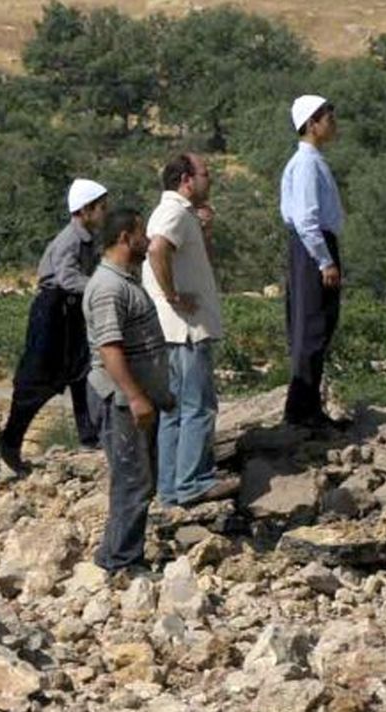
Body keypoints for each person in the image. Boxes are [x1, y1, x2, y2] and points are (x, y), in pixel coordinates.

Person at [142, 154, 239, 505]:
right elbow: (158, 249)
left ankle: (171, 487)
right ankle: (193, 482)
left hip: (175, 330)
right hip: (186, 329)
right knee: (198, 406)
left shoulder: (181, 214)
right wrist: (173, 295)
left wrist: (205, 229)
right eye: (205, 174)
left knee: (175, 410)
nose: (209, 180)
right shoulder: (174, 212)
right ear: (186, 179)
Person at [83, 208, 173, 573]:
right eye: (142, 234)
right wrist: (135, 396)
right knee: (132, 480)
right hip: (120, 401)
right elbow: (109, 349)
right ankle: (120, 562)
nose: (148, 241)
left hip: (132, 398)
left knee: (138, 479)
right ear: (124, 238)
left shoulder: (124, 281)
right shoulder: (109, 287)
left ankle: (118, 553)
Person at [0, 179, 107, 473]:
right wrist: (102, 287)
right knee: (38, 378)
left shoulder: (88, 239)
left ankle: (90, 436)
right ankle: (11, 439)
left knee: (83, 373)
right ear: (85, 210)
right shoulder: (69, 241)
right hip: (54, 311)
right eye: (101, 207)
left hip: (72, 312)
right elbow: (68, 279)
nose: (104, 213)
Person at [281, 95, 349, 431]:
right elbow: (306, 218)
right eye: (328, 118)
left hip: (311, 246)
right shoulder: (307, 163)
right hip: (313, 247)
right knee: (312, 326)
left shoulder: (309, 161)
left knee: (314, 325)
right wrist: (324, 260)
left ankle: (308, 408)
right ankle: (301, 411)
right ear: (312, 124)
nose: (333, 124)